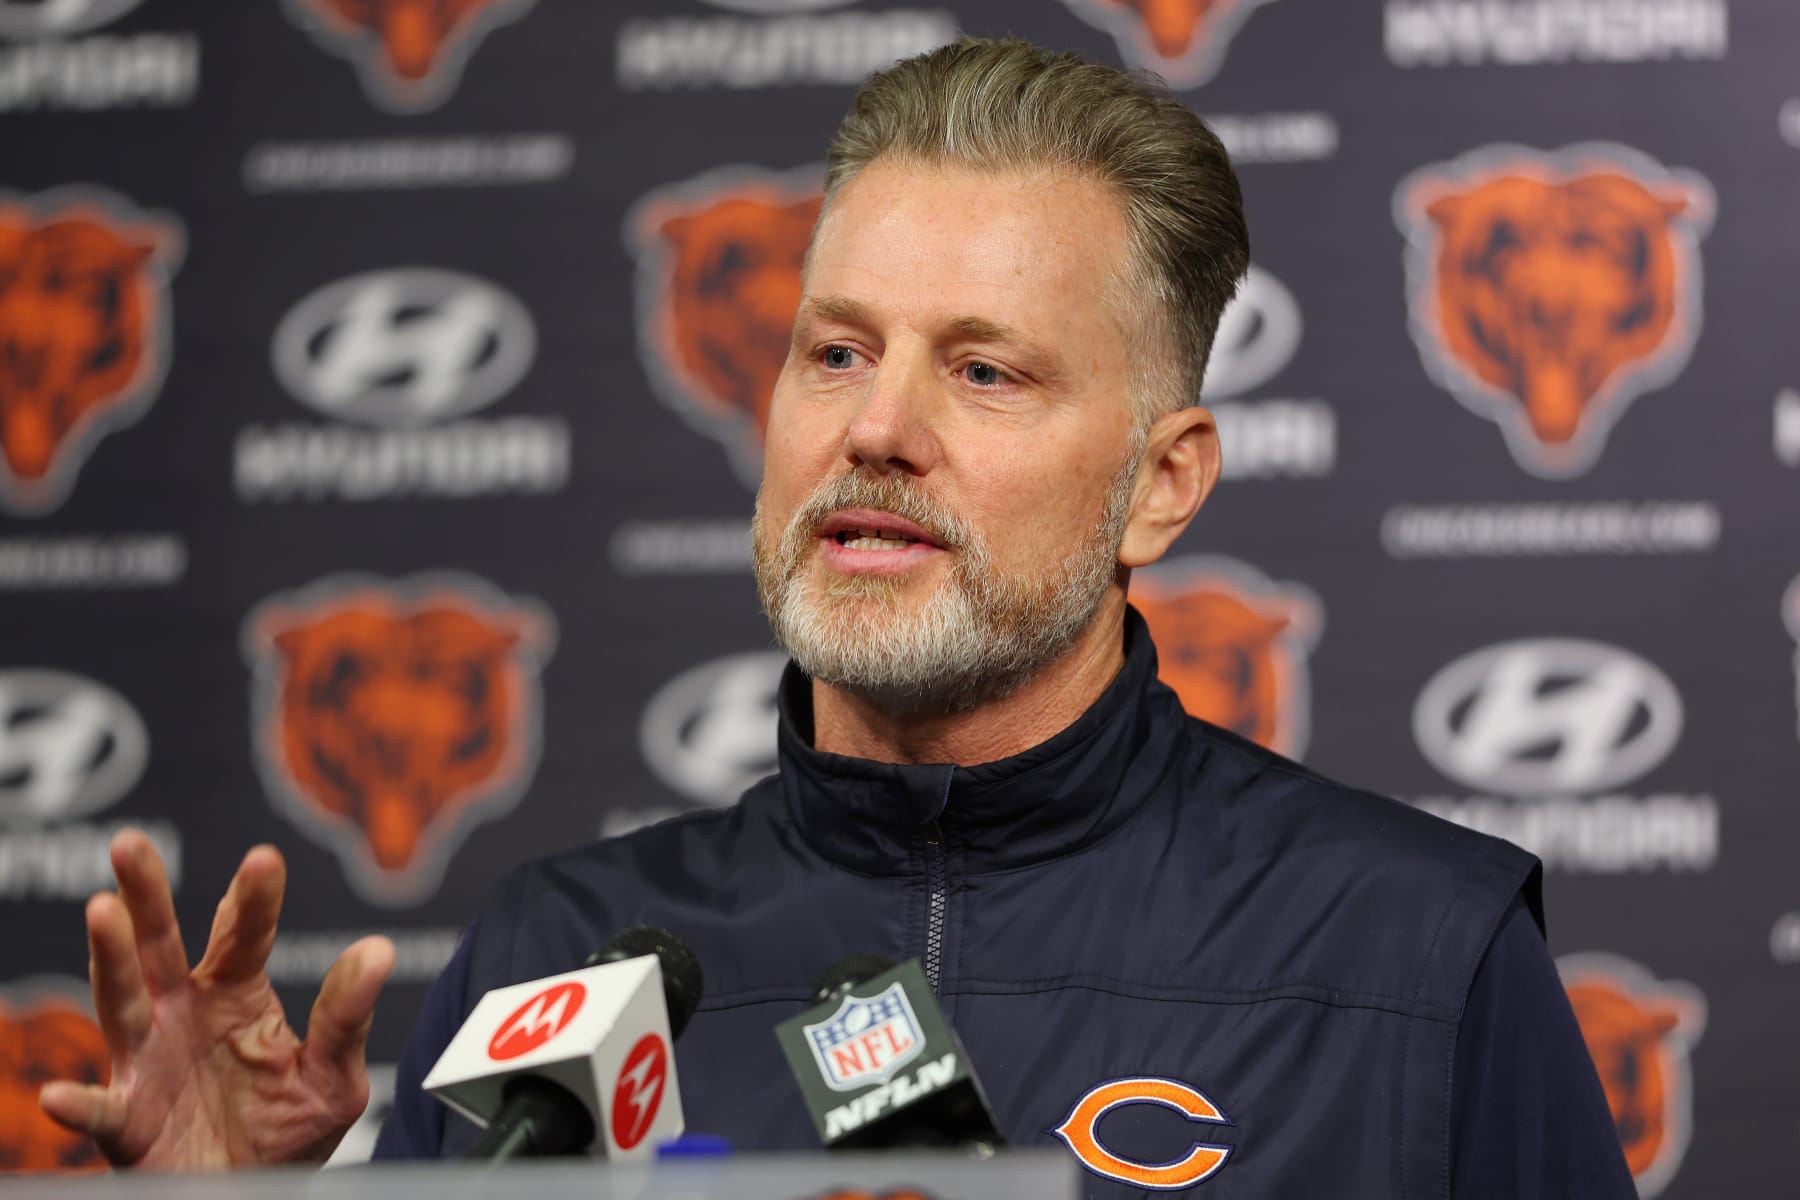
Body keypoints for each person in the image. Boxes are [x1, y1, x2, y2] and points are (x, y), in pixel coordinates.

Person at [41, 38, 1633, 1197]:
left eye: (985, 369)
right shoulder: (554, 959)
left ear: (1163, 483)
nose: (877, 429)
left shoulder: (1419, 956)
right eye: (836, 351)